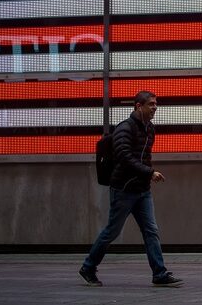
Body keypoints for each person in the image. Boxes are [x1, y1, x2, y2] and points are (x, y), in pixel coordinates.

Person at [79, 91, 183, 287]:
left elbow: (143, 156)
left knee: (151, 230)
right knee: (112, 231)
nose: (155, 107)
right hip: (124, 189)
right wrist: (149, 172)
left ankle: (159, 274)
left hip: (142, 190)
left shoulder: (149, 128)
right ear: (138, 106)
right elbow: (124, 157)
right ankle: (88, 267)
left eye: (156, 104)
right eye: (151, 104)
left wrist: (146, 176)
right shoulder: (125, 128)